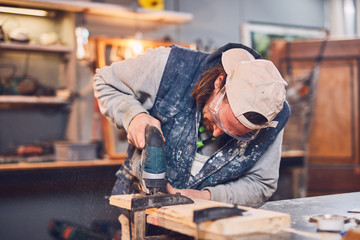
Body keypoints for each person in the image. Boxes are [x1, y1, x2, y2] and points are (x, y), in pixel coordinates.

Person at [93, 43, 290, 208]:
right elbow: (104, 82)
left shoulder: (272, 113)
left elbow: (260, 184)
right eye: (218, 119)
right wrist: (133, 116)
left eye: (234, 135)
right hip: (135, 205)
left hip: (208, 221)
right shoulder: (170, 65)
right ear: (219, 83)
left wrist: (205, 197)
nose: (216, 132)